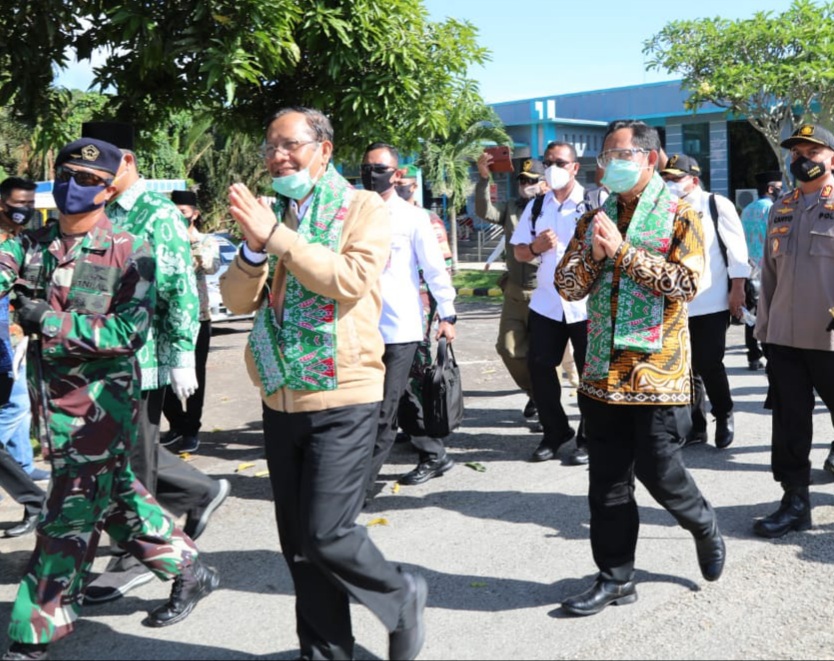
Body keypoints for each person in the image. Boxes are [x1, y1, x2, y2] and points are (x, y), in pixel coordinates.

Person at [219, 106, 427, 661]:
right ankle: (328, 653)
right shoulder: (276, 215)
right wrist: (252, 248)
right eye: (270, 147)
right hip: (280, 394)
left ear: (325, 149)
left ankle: (399, 593)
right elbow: (237, 301)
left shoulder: (363, 207)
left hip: (344, 394)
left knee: (328, 534)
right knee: (300, 551)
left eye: (290, 144)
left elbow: (351, 279)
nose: (277, 156)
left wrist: (278, 238)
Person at [0, 138, 218, 661]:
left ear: (107, 188)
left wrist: (46, 320)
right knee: (117, 497)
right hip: (52, 404)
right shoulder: (31, 243)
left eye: (92, 181)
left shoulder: (127, 248)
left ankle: (35, 630)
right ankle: (190, 568)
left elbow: (127, 330)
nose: (79, 187)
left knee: (67, 514)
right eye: (70, 175)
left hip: (100, 404)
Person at [555, 119, 725, 616]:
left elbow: (687, 285)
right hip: (601, 374)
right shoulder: (594, 219)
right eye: (605, 157)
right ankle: (615, 577)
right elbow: (568, 287)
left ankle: (702, 522)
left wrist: (624, 254)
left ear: (650, 158)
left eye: (619, 154)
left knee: (660, 472)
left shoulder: (682, 216)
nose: (609, 164)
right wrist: (593, 250)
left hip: (657, 373)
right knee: (606, 485)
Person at [79, 122, 230, 605]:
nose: (89, 177)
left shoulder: (155, 212)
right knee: (121, 451)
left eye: (98, 167)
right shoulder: (95, 206)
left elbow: (179, 285)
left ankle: (134, 557)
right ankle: (199, 490)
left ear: (125, 162)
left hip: (142, 355)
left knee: (133, 460)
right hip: (98, 352)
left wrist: (182, 354)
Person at [753, 123, 834, 538]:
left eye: (813, 152)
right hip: (783, 336)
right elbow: (768, 274)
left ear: (831, 158)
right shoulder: (781, 207)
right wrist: (763, 326)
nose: (803, 159)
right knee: (789, 423)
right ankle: (795, 501)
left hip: (830, 337)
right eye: (796, 152)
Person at [361, 144, 457, 493]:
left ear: (397, 174)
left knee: (383, 411)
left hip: (400, 326)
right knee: (397, 397)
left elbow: (434, 269)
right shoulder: (351, 213)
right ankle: (433, 453)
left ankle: (359, 490)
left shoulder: (413, 217)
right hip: (361, 325)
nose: (371, 174)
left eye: (379, 168)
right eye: (366, 167)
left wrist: (447, 314)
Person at [660, 154, 750, 449]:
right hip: (674, 301)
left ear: (694, 180)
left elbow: (737, 250)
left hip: (711, 300)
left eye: (676, 178)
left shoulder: (714, 204)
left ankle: (723, 413)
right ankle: (695, 427)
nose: (670, 184)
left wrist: (738, 288)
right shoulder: (662, 209)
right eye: (666, 178)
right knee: (685, 367)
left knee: (708, 361)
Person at [510, 141, 589, 465]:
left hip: (586, 305)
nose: (552, 168)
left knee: (590, 375)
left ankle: (589, 437)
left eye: (560, 162)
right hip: (546, 303)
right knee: (540, 369)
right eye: (548, 162)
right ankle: (555, 432)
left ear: (574, 167)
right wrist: (536, 247)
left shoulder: (594, 203)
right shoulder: (538, 206)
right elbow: (518, 252)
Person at [475, 152, 543, 420]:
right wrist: (483, 178)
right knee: (508, 348)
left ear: (544, 182)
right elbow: (485, 211)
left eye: (532, 180)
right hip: (515, 290)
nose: (526, 185)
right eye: (522, 180)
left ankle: (544, 402)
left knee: (542, 353)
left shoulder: (551, 207)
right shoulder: (511, 208)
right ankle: (535, 393)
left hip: (544, 291)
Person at [394, 164, 454, 448]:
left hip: (422, 301)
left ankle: (423, 426)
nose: (399, 185)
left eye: (404, 180)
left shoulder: (428, 219)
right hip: (393, 302)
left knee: (416, 363)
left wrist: (444, 310)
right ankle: (408, 421)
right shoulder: (384, 214)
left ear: (414, 186)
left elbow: (443, 266)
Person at [0, 177, 45, 539]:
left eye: (31, 203)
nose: (26, 210)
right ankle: (34, 499)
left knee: (15, 410)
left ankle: (34, 498)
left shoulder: (25, 242)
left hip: (9, 344)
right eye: (20, 203)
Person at [161, 190, 220, 454]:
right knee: (163, 374)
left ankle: (191, 430)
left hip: (198, 317)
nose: (178, 218)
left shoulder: (207, 241)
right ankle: (177, 424)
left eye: (182, 213)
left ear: (195, 214)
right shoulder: (162, 239)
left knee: (196, 375)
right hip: (167, 318)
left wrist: (188, 241)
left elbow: (209, 266)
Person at [740, 170, 783, 371]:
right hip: (769, 268)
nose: (781, 192)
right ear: (770, 188)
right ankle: (771, 356)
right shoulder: (775, 209)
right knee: (771, 314)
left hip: (749, 269)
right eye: (779, 188)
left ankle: (753, 356)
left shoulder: (747, 209)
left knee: (751, 315)